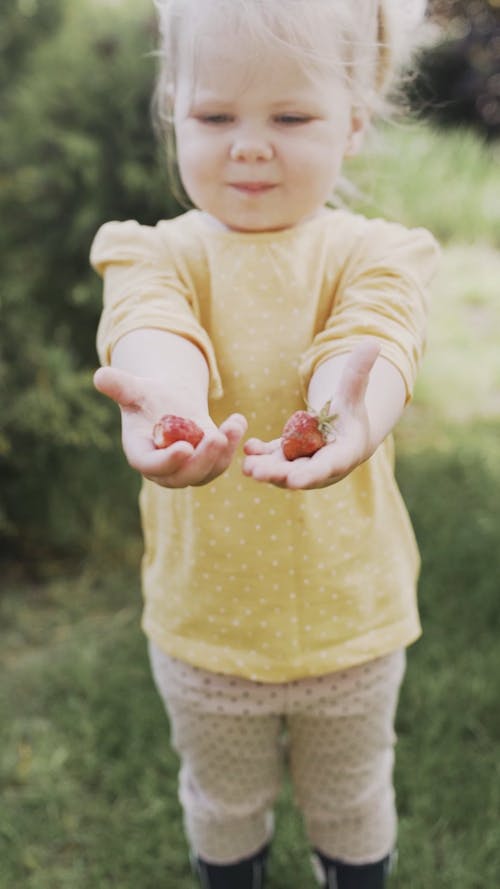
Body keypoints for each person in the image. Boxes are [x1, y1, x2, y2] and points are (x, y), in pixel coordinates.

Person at [90, 1, 439, 886]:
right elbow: (151, 326)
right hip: (207, 628)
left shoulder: (374, 252)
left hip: (351, 620)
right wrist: (166, 396)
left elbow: (374, 334)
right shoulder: (156, 255)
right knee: (223, 801)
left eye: (289, 117)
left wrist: (343, 413)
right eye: (216, 116)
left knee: (354, 800)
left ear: (353, 121)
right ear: (174, 104)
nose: (250, 145)